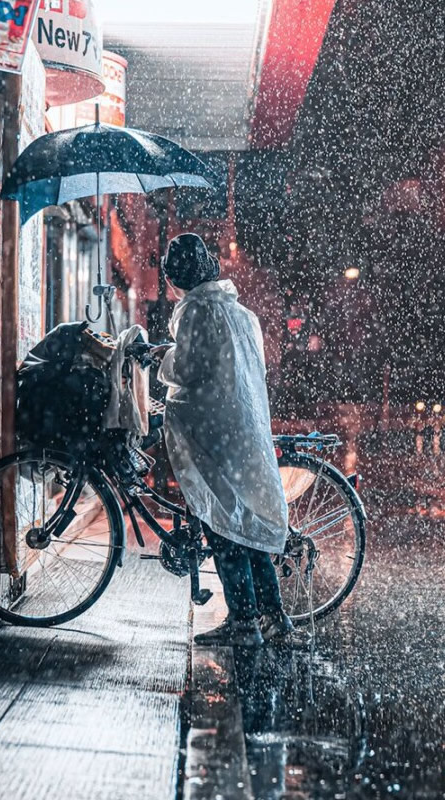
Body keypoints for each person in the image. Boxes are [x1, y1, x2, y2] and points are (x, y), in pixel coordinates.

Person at [155, 233, 293, 647]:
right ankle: (274, 617)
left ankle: (244, 621)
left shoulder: (196, 310)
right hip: (245, 429)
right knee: (248, 519)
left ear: (178, 275)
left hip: (214, 432)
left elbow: (187, 369)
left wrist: (158, 357)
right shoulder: (240, 313)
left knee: (224, 523)